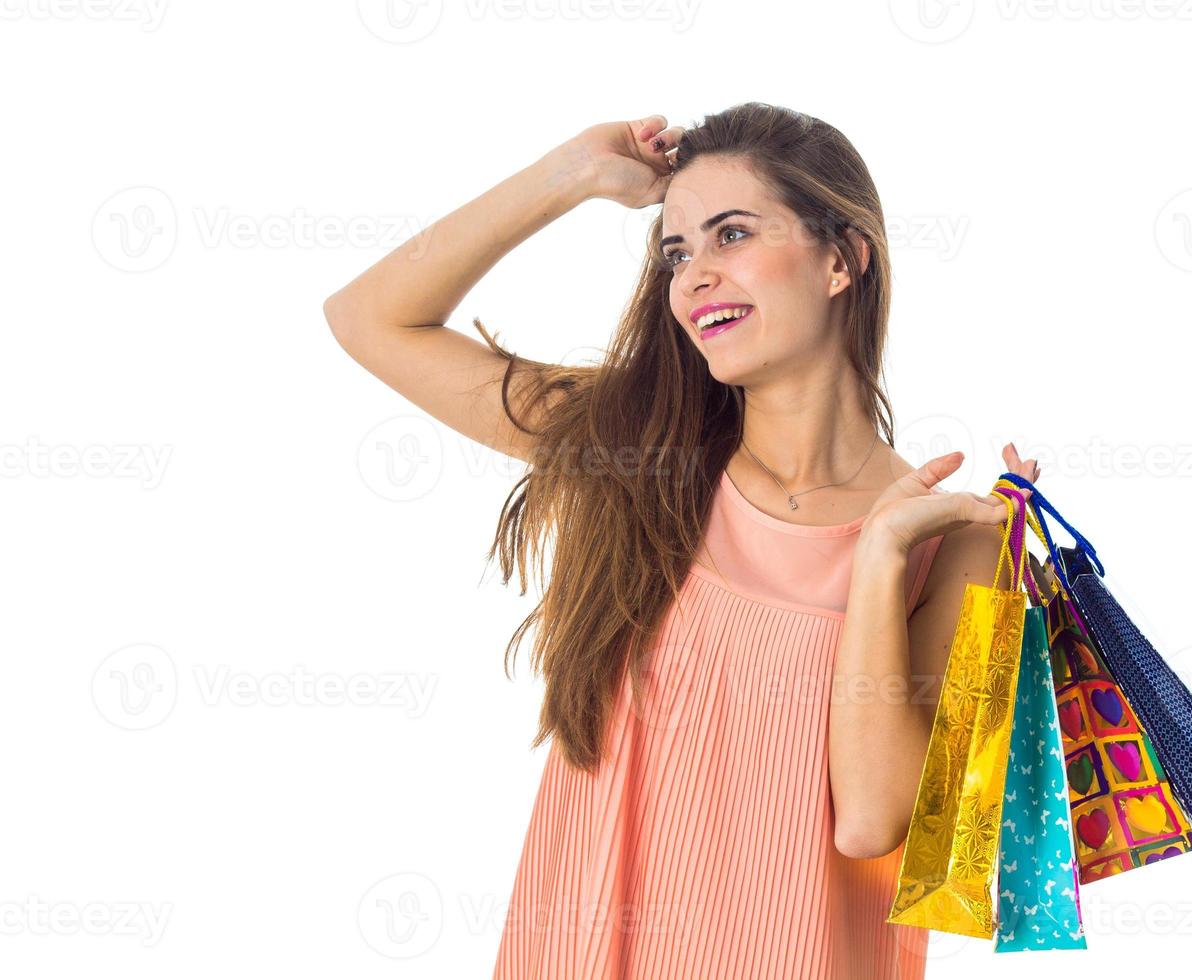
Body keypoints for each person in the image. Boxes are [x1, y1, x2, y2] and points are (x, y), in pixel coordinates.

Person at [324, 102, 1039, 979]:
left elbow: (873, 820)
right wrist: (570, 176)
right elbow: (367, 319)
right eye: (677, 252)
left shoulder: (956, 540)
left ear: (842, 261)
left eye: (731, 235)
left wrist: (881, 561)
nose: (694, 277)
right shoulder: (638, 456)